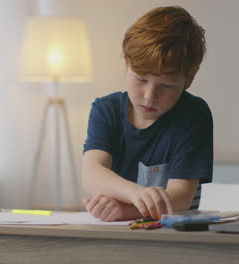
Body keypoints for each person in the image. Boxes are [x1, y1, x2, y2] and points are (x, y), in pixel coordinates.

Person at [82, 6, 213, 221]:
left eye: (167, 86)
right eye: (141, 79)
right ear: (126, 64)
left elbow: (180, 198)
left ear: (189, 79)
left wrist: (124, 210)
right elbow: (92, 172)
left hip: (173, 242)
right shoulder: (106, 109)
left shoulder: (194, 115)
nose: (150, 96)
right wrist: (136, 194)